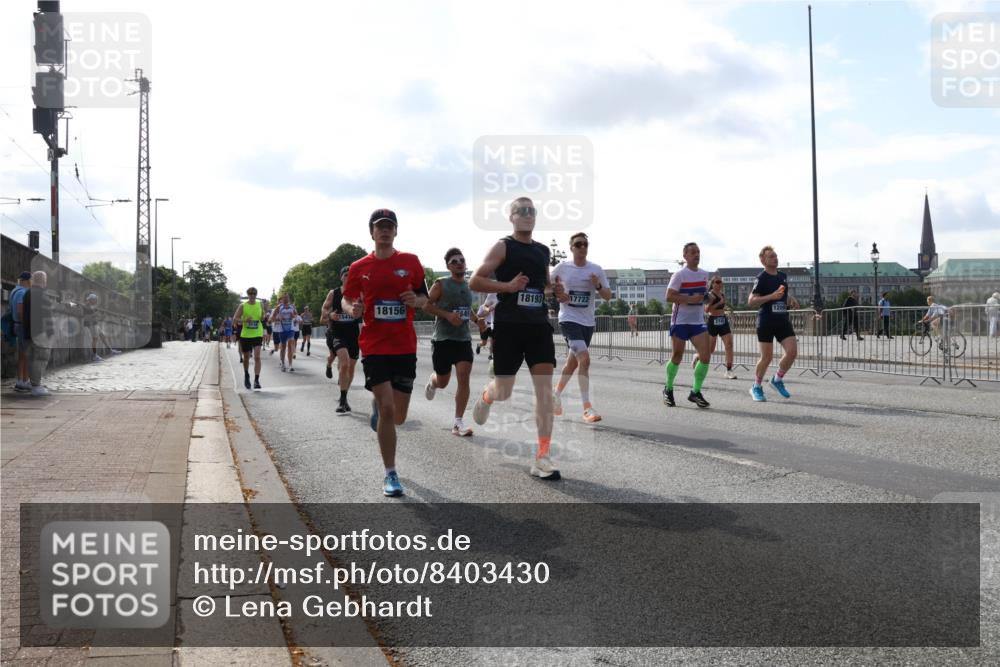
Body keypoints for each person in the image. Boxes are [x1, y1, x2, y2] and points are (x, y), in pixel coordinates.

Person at [470, 196, 567, 480]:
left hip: (538, 326)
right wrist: (508, 286)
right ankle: (486, 396)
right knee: (504, 391)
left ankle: (542, 457)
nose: (527, 214)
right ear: (511, 217)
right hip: (509, 326)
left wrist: (556, 291)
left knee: (544, 391)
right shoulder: (503, 246)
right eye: (520, 211)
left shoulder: (542, 250)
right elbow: (475, 280)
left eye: (531, 211)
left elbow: (543, 286)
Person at [341, 208, 428, 497]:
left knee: (398, 416)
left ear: (396, 231)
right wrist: (352, 309)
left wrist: (415, 300)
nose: (385, 230)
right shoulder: (359, 267)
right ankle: (390, 473)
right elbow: (346, 299)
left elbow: (425, 298)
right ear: (372, 232)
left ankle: (379, 409)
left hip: (404, 345)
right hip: (374, 345)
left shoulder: (411, 262)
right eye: (380, 226)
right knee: (389, 409)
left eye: (390, 226)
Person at [551, 232, 612, 423]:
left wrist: (598, 285)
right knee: (584, 359)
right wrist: (557, 293)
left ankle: (555, 395)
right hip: (568, 320)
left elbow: (608, 296)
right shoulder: (562, 268)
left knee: (572, 364)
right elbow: (546, 287)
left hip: (588, 323)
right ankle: (587, 408)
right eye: (578, 244)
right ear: (571, 248)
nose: (582, 247)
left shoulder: (596, 269)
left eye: (585, 244)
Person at [423, 247, 478, 436]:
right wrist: (447, 315)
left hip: (463, 339)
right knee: (443, 381)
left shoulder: (469, 285)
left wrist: (477, 320)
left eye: (461, 260)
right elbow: (426, 305)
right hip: (443, 339)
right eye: (454, 261)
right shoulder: (441, 284)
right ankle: (433, 382)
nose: (459, 263)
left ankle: (458, 422)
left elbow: (466, 308)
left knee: (464, 376)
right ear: (448, 266)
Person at [663, 242, 712, 408]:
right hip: (680, 320)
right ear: (685, 256)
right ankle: (668, 389)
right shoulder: (679, 275)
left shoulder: (704, 274)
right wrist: (690, 299)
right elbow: (669, 296)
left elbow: (704, 296)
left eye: (698, 252)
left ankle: (695, 392)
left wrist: (708, 298)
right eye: (693, 252)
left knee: (705, 356)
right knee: (677, 356)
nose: (696, 255)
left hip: (697, 321)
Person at [748, 245, 800, 401]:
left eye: (776, 256)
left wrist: (790, 299)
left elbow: (782, 295)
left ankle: (777, 379)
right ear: (763, 260)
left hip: (782, 320)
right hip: (766, 321)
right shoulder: (761, 278)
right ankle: (756, 386)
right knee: (766, 357)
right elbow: (751, 301)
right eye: (771, 256)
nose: (775, 258)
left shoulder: (782, 276)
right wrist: (771, 296)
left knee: (792, 352)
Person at [322, 266, 361, 413]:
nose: (348, 277)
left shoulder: (358, 292)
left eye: (350, 275)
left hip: (353, 335)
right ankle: (342, 400)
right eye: (345, 275)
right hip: (338, 334)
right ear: (341, 277)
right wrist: (330, 315)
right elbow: (324, 309)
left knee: (351, 368)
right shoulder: (334, 293)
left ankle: (345, 397)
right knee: (344, 364)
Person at [22, 270, 53, 396]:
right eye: (45, 280)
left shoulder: (27, 293)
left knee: (32, 359)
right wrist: (50, 331)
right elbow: (47, 315)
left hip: (28, 331)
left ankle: (34, 383)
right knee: (41, 358)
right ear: (43, 280)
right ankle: (36, 385)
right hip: (40, 332)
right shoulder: (42, 295)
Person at [705, 275, 737, 379]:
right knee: (711, 349)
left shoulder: (722, 294)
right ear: (712, 284)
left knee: (729, 345)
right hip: (713, 321)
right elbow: (706, 309)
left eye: (720, 282)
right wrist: (719, 302)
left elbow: (722, 306)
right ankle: (698, 356)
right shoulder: (710, 295)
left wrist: (726, 309)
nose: (720, 284)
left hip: (723, 320)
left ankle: (729, 370)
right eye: (717, 282)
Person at [233, 287, 264, 390]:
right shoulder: (242, 306)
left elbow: (262, 318)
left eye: (254, 294)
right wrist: (244, 320)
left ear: (256, 295)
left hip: (257, 333)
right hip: (246, 335)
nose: (252, 295)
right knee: (246, 357)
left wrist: (264, 316)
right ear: (248, 295)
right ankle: (246, 375)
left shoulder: (260, 304)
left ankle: (256, 380)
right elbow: (235, 318)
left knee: (257, 357)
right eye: (250, 294)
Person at [10, 271, 31, 392]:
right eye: (31, 280)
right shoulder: (22, 292)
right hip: (22, 326)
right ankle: (24, 381)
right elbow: (20, 311)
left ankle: (21, 381)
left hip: (17, 325)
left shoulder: (15, 291)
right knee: (26, 355)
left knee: (22, 355)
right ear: (26, 281)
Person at [272, 294, 297, 371]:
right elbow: (273, 318)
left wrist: (293, 316)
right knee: (283, 347)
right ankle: (283, 364)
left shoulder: (292, 306)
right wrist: (279, 318)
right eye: (284, 298)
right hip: (282, 330)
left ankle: (290, 365)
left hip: (290, 329)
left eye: (287, 297)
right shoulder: (279, 307)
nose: (286, 299)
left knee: (290, 344)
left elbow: (296, 316)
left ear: (289, 299)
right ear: (282, 299)